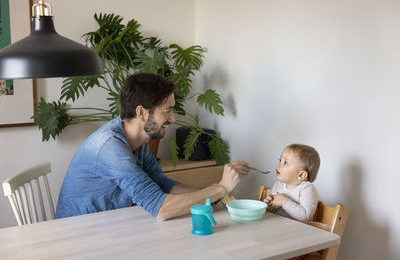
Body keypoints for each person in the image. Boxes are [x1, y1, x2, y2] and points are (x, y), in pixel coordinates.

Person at [56, 73, 249, 221]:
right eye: (167, 111)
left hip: (111, 225)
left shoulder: (137, 141)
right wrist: (220, 188)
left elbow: (161, 183)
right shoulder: (109, 148)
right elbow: (161, 209)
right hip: (80, 236)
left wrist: (211, 199)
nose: (173, 119)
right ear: (141, 113)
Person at [263, 144, 320, 221]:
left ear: (301, 174)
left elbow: (305, 216)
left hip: (298, 230)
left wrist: (284, 202)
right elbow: (272, 212)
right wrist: (269, 206)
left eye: (285, 163)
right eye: (280, 160)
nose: (279, 165)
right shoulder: (278, 184)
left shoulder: (307, 189)